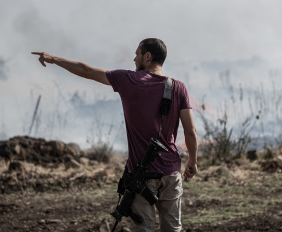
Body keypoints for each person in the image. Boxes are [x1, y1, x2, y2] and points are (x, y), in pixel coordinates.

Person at [32, 38, 198, 231]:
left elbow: (86, 71)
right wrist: (192, 161)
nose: (134, 58)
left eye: (137, 54)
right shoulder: (179, 88)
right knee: (173, 229)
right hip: (171, 173)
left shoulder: (129, 80)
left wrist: (53, 58)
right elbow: (190, 131)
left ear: (147, 56)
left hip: (142, 174)